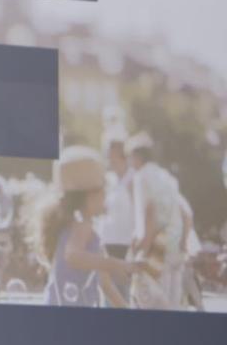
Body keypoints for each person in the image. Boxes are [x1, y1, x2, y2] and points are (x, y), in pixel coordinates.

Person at [33, 145, 135, 307]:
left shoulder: (81, 228)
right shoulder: (82, 226)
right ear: (89, 195)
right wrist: (113, 263)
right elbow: (72, 256)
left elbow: (106, 284)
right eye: (103, 190)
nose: (106, 196)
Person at [126, 132, 187, 309]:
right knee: (172, 305)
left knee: (151, 304)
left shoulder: (141, 177)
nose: (129, 162)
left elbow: (149, 213)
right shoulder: (167, 176)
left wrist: (142, 250)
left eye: (130, 157)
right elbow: (183, 211)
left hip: (157, 248)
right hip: (175, 244)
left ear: (137, 157)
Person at [97, 127, 134, 300]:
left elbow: (139, 215)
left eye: (109, 152)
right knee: (108, 296)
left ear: (120, 153)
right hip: (107, 245)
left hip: (127, 247)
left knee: (123, 295)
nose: (107, 157)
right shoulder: (109, 180)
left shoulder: (133, 179)